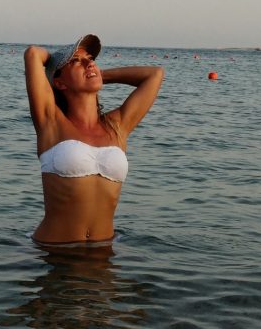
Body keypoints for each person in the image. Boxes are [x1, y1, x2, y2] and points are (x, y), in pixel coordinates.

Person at [24, 34, 164, 244]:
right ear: (59, 83)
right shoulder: (51, 122)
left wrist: (99, 76)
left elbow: (154, 75)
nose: (89, 63)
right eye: (75, 61)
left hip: (104, 252)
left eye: (91, 59)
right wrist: (55, 62)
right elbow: (33, 54)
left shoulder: (117, 126)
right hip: (53, 252)